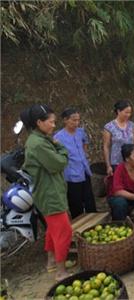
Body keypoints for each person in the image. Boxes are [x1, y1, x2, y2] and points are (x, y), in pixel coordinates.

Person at [21, 104, 72, 281]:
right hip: (50, 194)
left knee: (53, 229)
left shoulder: (41, 139)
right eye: (50, 122)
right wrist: (63, 150)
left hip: (50, 191)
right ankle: (61, 271)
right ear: (39, 122)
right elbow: (57, 163)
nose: (53, 125)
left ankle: (51, 261)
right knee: (64, 231)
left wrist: (57, 148)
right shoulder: (38, 144)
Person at [54, 108, 97, 219]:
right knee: (75, 201)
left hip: (84, 169)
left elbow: (84, 144)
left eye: (78, 120)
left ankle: (93, 219)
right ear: (65, 120)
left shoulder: (80, 132)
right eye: (73, 120)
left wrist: (83, 156)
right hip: (71, 172)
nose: (76, 123)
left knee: (89, 199)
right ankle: (78, 223)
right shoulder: (58, 137)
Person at [103, 100, 134, 176]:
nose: (128, 115)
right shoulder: (109, 127)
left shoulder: (132, 125)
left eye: (129, 112)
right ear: (119, 111)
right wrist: (108, 165)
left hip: (131, 161)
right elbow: (106, 147)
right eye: (126, 112)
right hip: (116, 162)